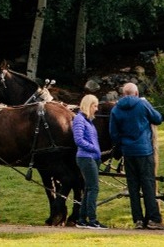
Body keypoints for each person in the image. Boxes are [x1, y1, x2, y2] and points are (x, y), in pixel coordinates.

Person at [109, 81, 164, 231]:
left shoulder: (116, 109)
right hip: (144, 150)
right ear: (136, 93)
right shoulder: (142, 105)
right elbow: (158, 118)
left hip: (128, 152)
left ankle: (138, 220)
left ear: (123, 94)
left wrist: (121, 145)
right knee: (148, 185)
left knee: (133, 187)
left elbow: (113, 133)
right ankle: (153, 219)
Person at [72, 94, 106, 230]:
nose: (96, 109)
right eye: (95, 106)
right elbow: (79, 140)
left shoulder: (88, 121)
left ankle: (82, 219)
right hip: (86, 157)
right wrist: (94, 149)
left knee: (88, 188)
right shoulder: (80, 119)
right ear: (88, 105)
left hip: (92, 157)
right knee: (93, 188)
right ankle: (92, 219)